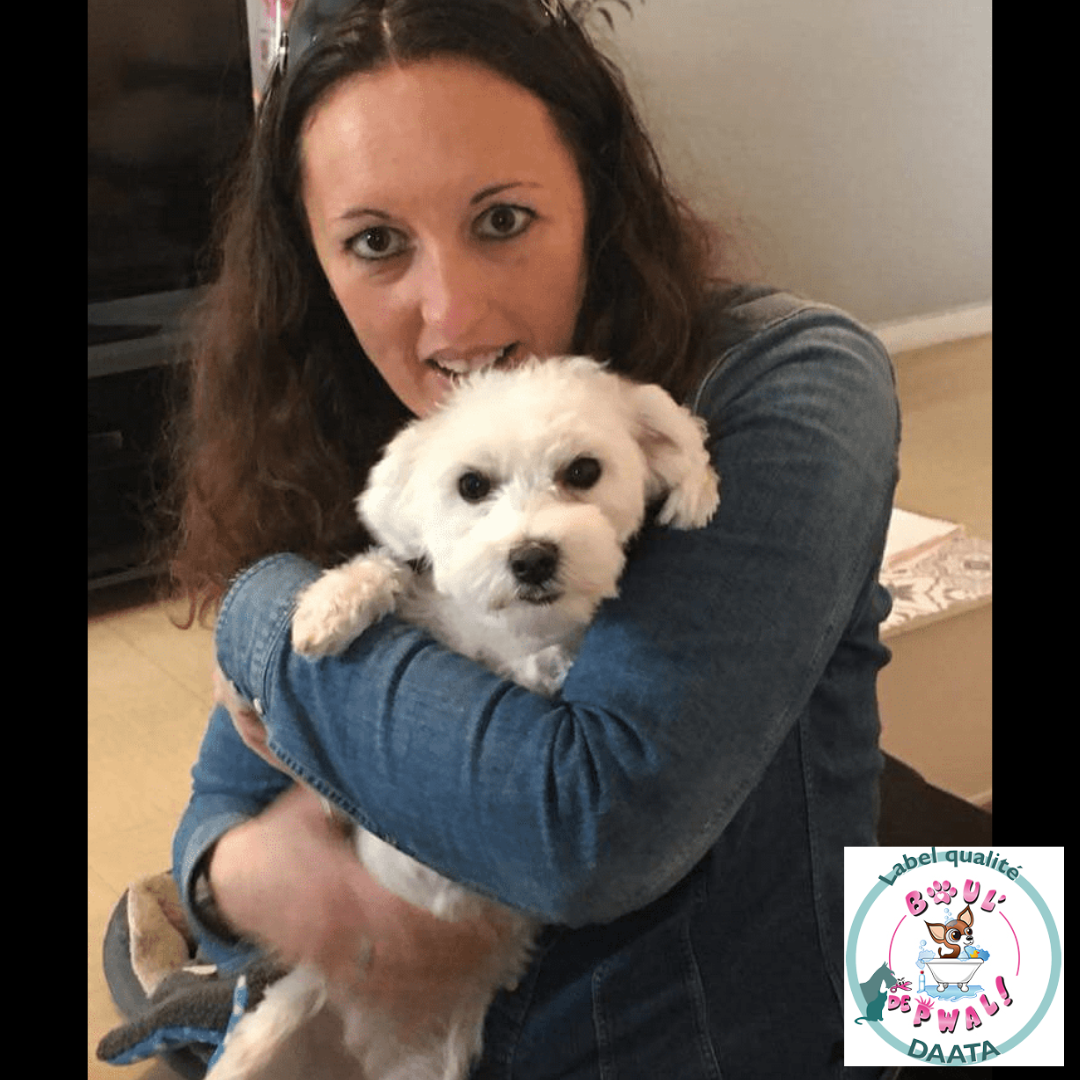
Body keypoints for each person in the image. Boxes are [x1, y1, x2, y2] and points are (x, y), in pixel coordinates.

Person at [156, 1, 901, 1075]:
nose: (453, 315)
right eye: (376, 243)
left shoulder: (796, 380)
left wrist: (262, 616)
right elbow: (221, 809)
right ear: (313, 265)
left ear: (597, 196)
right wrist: (249, 878)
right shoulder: (358, 433)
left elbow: (591, 829)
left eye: (502, 219)